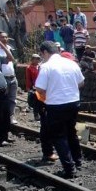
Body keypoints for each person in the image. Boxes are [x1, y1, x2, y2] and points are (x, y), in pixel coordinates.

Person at [35, 41, 85, 178]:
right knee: (71, 132)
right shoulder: (71, 63)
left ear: (45, 52)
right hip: (73, 102)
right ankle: (78, 161)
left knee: (59, 136)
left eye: (42, 54)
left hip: (56, 105)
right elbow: (81, 82)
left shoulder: (46, 66)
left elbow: (39, 88)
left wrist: (50, 94)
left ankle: (69, 169)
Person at [0, 31, 18, 125]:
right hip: (2, 78)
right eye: (2, 37)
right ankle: (3, 118)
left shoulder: (9, 48)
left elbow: (14, 60)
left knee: (13, 99)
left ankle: (11, 117)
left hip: (12, 77)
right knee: (3, 99)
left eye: (6, 37)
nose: (4, 39)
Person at [25, 54, 41, 120]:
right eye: (35, 59)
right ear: (32, 59)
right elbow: (28, 78)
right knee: (35, 101)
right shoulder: (29, 68)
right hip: (33, 87)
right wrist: (28, 87)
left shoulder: (40, 67)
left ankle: (40, 113)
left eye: (38, 59)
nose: (37, 60)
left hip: (40, 86)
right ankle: (36, 114)